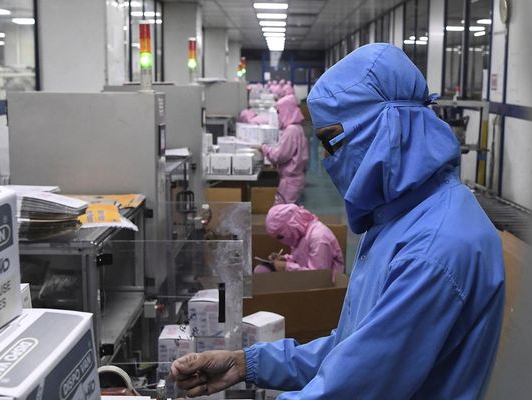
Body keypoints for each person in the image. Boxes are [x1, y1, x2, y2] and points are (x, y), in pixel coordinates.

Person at [170, 43, 506, 398]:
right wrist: (247, 363)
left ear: (384, 128)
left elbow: (351, 388)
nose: (328, 159)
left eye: (332, 142)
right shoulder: (398, 219)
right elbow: (350, 352)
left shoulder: (435, 247)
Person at [253, 204, 345, 275]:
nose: (281, 241)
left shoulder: (319, 239)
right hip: (305, 278)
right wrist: (285, 259)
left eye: (280, 237)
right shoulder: (300, 233)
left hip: (322, 286)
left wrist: (286, 267)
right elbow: (302, 257)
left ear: (291, 227)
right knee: (261, 270)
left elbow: (318, 276)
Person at [259, 94, 309, 204]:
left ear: (286, 111)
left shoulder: (291, 131)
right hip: (296, 178)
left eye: (279, 112)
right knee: (290, 209)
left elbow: (279, 156)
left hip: (290, 181)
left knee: (282, 211)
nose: (278, 116)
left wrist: (264, 148)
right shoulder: (298, 128)